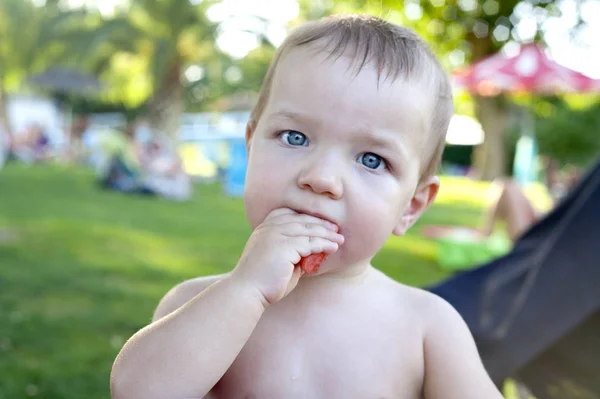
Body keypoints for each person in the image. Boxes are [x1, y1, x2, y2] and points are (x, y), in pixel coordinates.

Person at [110, 14, 502, 399]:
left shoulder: (428, 329)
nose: (321, 178)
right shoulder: (197, 307)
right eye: (295, 137)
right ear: (251, 146)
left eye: (371, 160)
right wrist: (245, 289)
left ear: (411, 206)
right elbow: (135, 391)